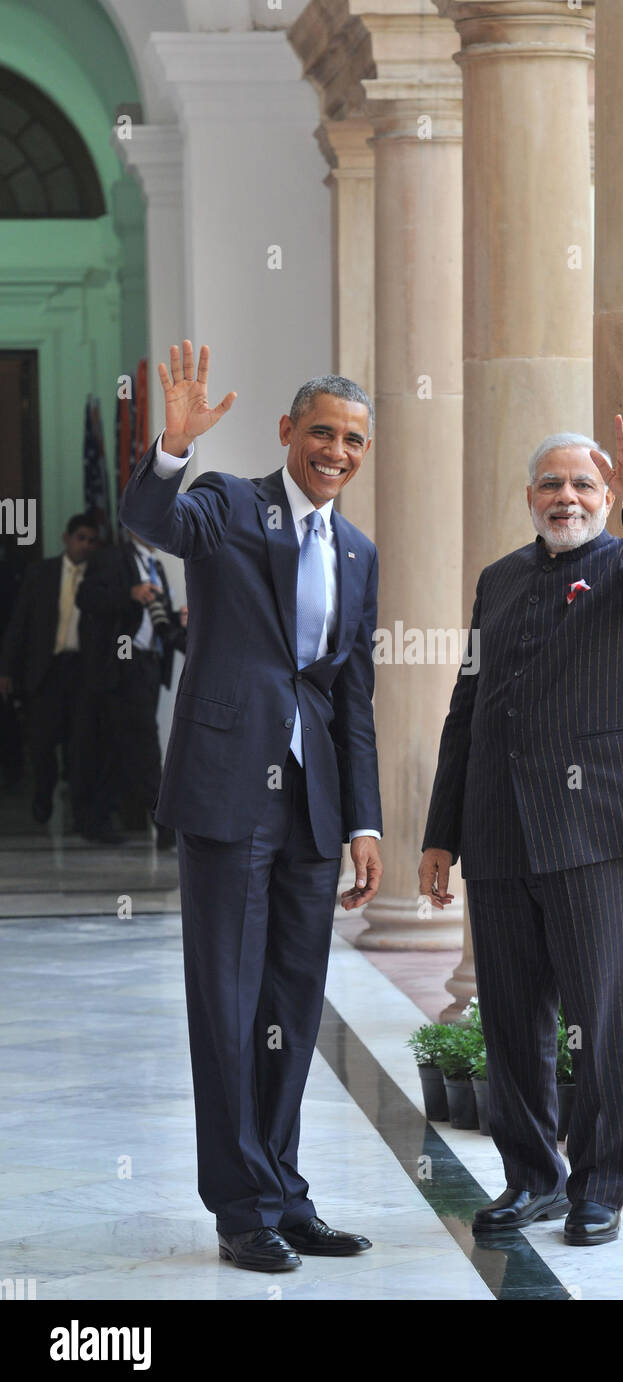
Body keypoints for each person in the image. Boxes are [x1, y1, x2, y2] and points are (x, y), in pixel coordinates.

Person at [119, 340, 383, 1273]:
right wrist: (173, 450)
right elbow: (152, 519)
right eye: (321, 432)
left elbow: (352, 696)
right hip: (230, 796)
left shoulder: (357, 550)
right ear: (287, 433)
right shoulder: (230, 504)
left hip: (313, 809)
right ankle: (239, 1208)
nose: (336, 451)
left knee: (290, 1009)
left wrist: (365, 820)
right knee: (227, 1007)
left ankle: (284, 1191)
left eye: (352, 439)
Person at [419, 415, 623, 1247]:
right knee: (508, 1017)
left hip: (592, 828)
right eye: (550, 483)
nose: (564, 496)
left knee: (595, 1016)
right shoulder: (497, 579)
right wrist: (441, 834)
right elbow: (465, 709)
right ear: (528, 497)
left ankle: (600, 1187)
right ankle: (531, 1180)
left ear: (606, 498)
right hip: (497, 829)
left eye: (583, 484)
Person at [76, 528, 187, 847]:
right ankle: (165, 823)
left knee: (119, 743)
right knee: (144, 741)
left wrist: (185, 628)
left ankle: (96, 818)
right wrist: (129, 593)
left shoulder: (157, 566)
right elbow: (87, 598)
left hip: (150, 664)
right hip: (121, 664)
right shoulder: (111, 558)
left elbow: (161, 623)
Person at [0, 513, 99, 828]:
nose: (85, 545)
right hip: (47, 669)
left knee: (81, 742)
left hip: (83, 670)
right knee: (41, 742)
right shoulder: (40, 573)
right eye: (80, 538)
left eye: (91, 540)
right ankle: (43, 795)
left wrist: (121, 660)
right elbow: (20, 624)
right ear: (67, 538)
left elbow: (117, 630)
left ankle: (80, 806)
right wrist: (7, 669)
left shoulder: (100, 576)